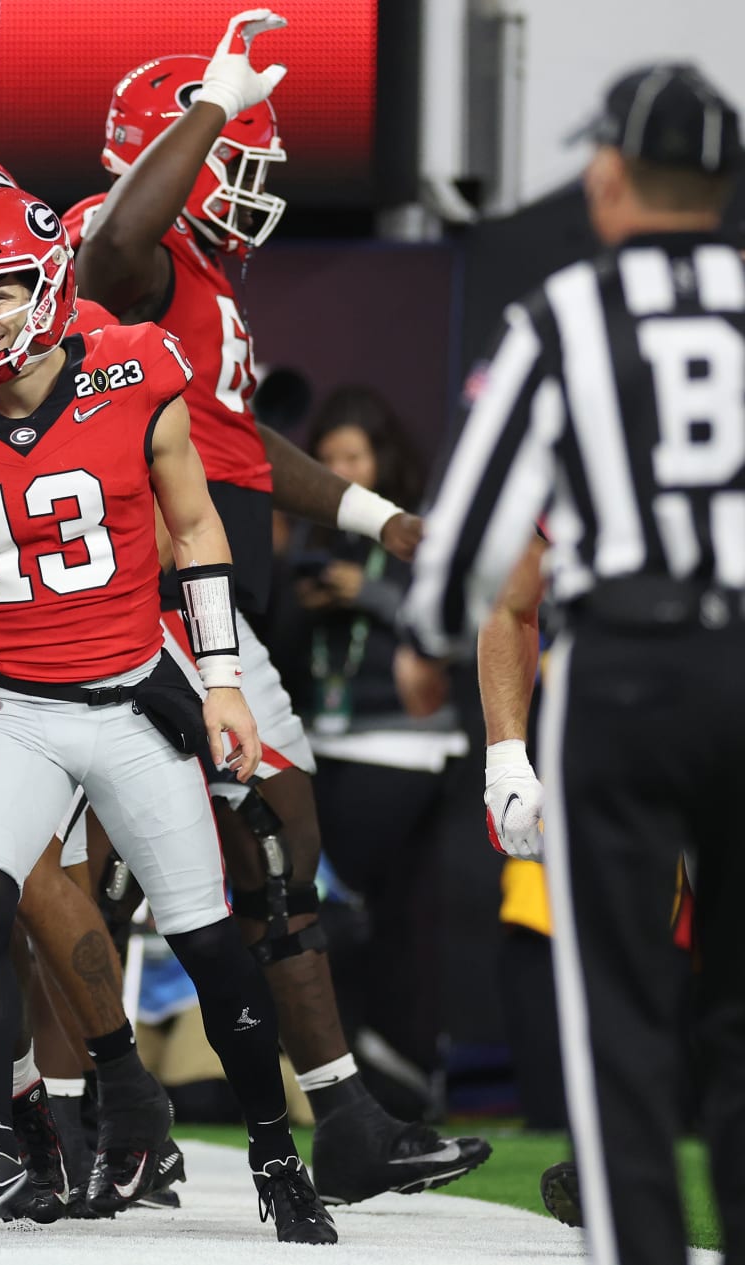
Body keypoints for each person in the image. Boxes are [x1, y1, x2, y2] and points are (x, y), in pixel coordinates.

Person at [70, 9, 490, 1203]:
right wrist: (207, 109)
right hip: (132, 608)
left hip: (206, 608)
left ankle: (336, 1117)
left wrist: (375, 518)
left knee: (271, 858)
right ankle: (90, 1114)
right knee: (120, 872)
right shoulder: (128, 264)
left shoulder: (197, 286)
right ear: (171, 155)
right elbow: (109, 245)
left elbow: (241, 446)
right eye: (225, 158)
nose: (243, 185)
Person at [0, 183, 333, 1242]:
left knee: (210, 938)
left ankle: (274, 1150)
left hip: (128, 697)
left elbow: (197, 522)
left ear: (44, 283)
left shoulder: (137, 366)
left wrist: (219, 675)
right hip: (12, 705)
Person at [405, 62, 745, 1265]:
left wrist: (425, 643)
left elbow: (475, 536)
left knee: (621, 1013)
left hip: (630, 674)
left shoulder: (567, 317)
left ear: (606, 179)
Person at [271, 388, 466, 1115]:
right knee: (358, 915)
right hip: (332, 741)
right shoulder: (313, 543)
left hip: (410, 745)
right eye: (325, 460)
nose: (341, 469)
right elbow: (281, 648)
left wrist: (369, 594)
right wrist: (306, 586)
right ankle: (371, 1075)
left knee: (381, 915)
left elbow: (452, 620)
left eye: (354, 456)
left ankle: (400, 1068)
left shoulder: (420, 534)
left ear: (385, 458)